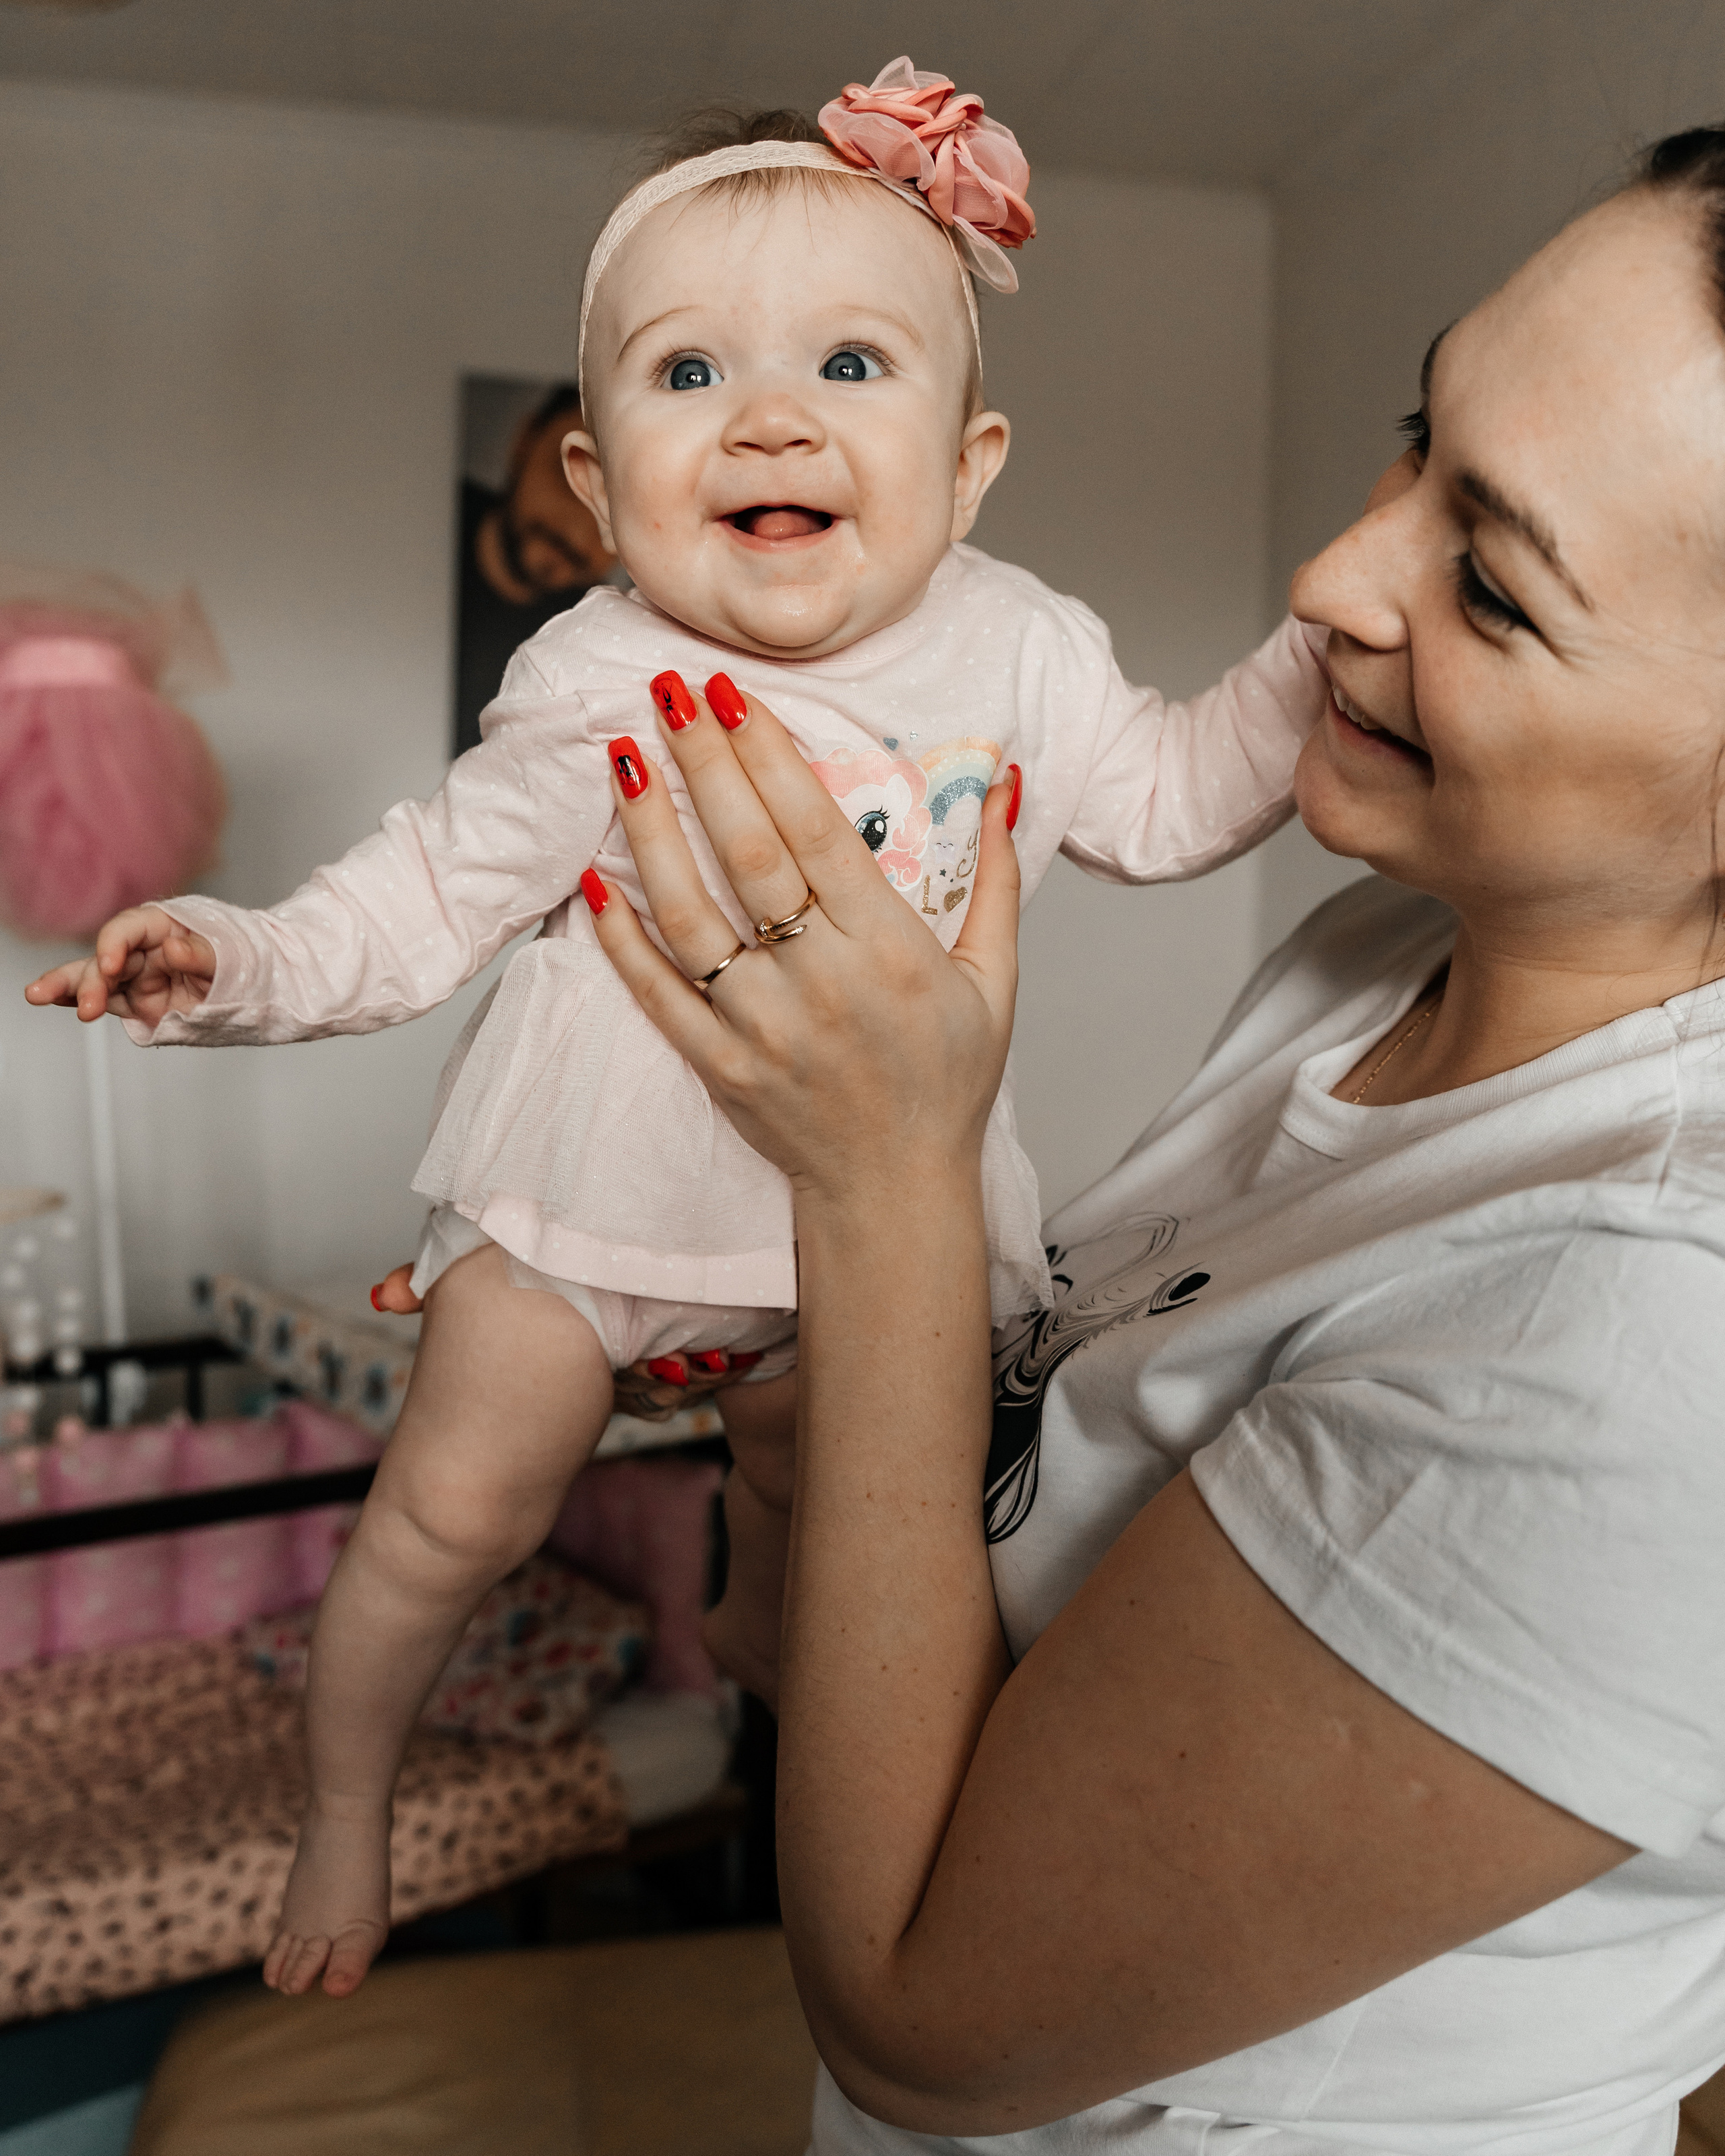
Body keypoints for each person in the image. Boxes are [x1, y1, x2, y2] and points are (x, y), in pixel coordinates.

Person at [23, 59, 1331, 2002]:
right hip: (579, 1207)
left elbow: (1165, 797)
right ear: (594, 483)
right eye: (691, 375)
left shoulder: (1025, 649)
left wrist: (1325, 648)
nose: (773, 416)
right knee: (448, 1518)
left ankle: (767, 1652)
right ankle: (350, 1798)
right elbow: (424, 895)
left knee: (839, 1533)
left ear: (971, 467)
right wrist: (236, 958)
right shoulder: (597, 670)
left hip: (869, 1238)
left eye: (852, 367)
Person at [577, 127, 1725, 2156]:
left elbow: (920, 2018)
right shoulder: (1378, 948)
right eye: (1410, 439)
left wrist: (885, 1181)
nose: (1329, 577)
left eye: (1486, 580)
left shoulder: (1652, 1329)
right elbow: (899, 1619)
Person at [452, 380, 615, 757]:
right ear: (525, 441)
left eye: (619, 511)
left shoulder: (605, 640)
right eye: (570, 478)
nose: (579, 531)